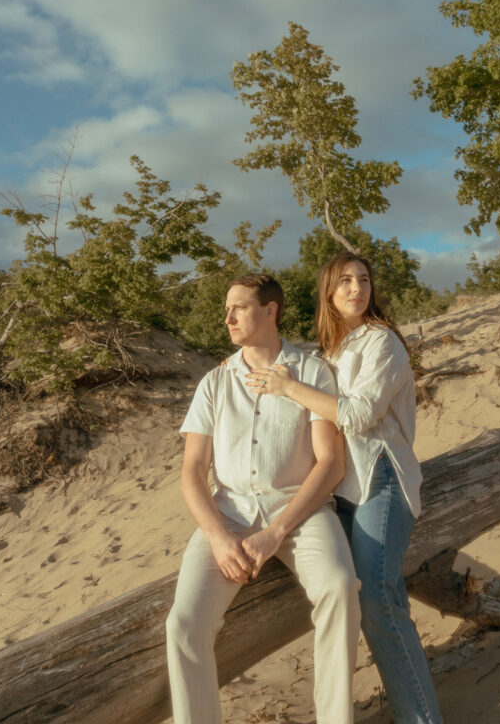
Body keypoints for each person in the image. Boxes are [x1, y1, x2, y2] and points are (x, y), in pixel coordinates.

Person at [245, 253, 443, 724]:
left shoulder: (382, 343)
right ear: (329, 292)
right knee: (355, 598)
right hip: (341, 491)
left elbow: (357, 415)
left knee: (379, 598)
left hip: (381, 477)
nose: (357, 288)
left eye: (364, 280)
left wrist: (288, 388)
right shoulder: (326, 353)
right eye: (346, 281)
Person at [166, 272, 360, 724]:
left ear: (270, 310)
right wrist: (217, 537)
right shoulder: (214, 383)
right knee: (184, 625)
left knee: (339, 587)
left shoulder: (311, 371)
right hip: (228, 515)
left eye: (238, 307)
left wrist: (275, 532)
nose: (228, 317)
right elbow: (192, 473)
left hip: (301, 511)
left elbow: (330, 463)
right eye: (227, 309)